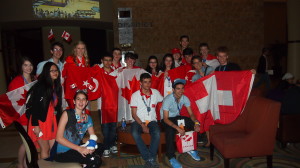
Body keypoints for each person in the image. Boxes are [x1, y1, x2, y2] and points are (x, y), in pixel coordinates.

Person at [54, 90, 102, 168]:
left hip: (77, 148)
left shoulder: (88, 118)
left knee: (101, 146)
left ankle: (86, 162)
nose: (81, 101)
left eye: (83, 99)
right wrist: (79, 149)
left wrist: (91, 147)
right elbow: (58, 138)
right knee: (95, 160)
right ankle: (87, 161)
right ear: (74, 101)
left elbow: (92, 136)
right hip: (63, 152)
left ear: (86, 102)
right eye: (78, 99)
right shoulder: (67, 114)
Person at [161, 79, 201, 168]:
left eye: (182, 88)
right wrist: (177, 128)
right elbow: (166, 119)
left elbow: (191, 114)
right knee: (170, 131)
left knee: (192, 123)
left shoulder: (184, 98)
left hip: (176, 118)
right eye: (178, 89)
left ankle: (191, 149)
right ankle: (171, 157)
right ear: (173, 90)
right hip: (166, 120)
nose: (181, 91)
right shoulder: (168, 100)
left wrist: (196, 123)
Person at [26, 62, 62, 159]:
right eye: (52, 71)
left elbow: (57, 107)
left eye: (56, 70)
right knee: (45, 149)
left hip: (51, 120)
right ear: (47, 72)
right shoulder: (41, 86)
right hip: (40, 121)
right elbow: (35, 107)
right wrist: (36, 126)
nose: (55, 73)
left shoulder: (56, 86)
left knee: (54, 148)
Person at [130, 73, 163, 168]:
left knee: (157, 132)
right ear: (140, 83)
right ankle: (148, 157)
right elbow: (134, 114)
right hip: (138, 121)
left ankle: (150, 158)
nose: (147, 84)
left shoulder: (155, 93)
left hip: (152, 121)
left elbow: (163, 100)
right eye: (145, 82)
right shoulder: (135, 95)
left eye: (149, 82)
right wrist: (142, 125)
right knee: (135, 133)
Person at [8, 56, 35, 168]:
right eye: (25, 65)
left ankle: (25, 163)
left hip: (32, 116)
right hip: (22, 117)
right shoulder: (17, 81)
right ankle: (20, 164)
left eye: (30, 65)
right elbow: (11, 100)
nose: (28, 67)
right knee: (27, 142)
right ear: (21, 67)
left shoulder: (34, 79)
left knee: (30, 141)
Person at [97, 53, 118, 157]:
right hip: (103, 103)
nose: (108, 62)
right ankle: (106, 146)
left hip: (114, 103)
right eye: (106, 60)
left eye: (110, 60)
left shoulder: (116, 73)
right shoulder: (98, 72)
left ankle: (112, 144)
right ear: (102, 60)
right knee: (105, 127)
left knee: (113, 127)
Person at [64, 41, 89, 109]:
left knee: (84, 111)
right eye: (78, 48)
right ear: (75, 49)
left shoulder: (86, 61)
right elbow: (65, 74)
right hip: (73, 89)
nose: (81, 50)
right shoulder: (70, 60)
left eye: (82, 48)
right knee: (74, 111)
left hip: (83, 89)